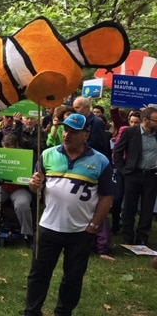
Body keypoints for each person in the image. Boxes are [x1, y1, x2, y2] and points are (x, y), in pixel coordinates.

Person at [25, 113, 114, 316]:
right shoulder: (47, 154)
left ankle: (63, 312)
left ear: (86, 135)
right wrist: (33, 185)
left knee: (73, 278)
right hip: (48, 227)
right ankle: (32, 312)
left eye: (74, 132)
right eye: (66, 130)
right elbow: (35, 187)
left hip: (80, 231)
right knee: (38, 274)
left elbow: (106, 198)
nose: (67, 135)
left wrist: (93, 227)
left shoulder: (101, 161)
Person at [113, 107, 157, 246]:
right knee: (130, 207)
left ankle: (142, 237)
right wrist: (124, 170)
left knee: (147, 208)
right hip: (133, 175)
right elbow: (117, 153)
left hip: (151, 176)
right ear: (146, 120)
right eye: (156, 120)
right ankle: (128, 236)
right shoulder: (130, 133)